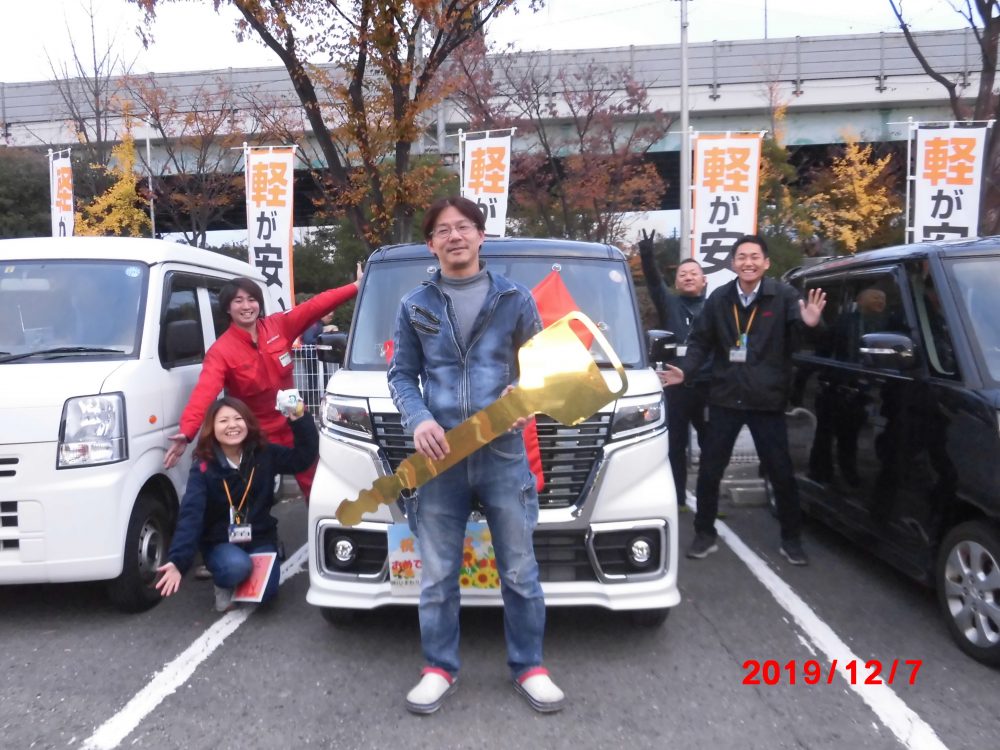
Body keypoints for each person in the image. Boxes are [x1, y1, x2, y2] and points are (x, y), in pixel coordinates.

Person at [387, 195, 564, 714]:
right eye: (443, 230)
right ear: (431, 244)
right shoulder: (415, 304)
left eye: (463, 227)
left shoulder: (514, 298)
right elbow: (401, 375)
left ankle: (529, 666)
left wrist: (525, 394)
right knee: (438, 574)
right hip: (440, 456)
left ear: (481, 236)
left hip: (503, 452)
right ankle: (438, 667)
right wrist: (419, 419)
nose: (455, 236)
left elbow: (542, 368)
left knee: (519, 570)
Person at [660, 235, 826, 566]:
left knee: (781, 472)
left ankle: (791, 539)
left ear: (766, 263)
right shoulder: (720, 298)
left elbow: (807, 338)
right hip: (725, 398)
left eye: (754, 256)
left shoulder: (783, 296)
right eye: (741, 257)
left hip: (767, 401)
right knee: (710, 471)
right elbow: (701, 342)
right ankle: (704, 533)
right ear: (733, 263)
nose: (748, 262)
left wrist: (812, 325)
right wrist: (686, 371)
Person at [163, 268, 359, 499]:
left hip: (296, 423)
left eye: (252, 299)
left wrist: (356, 286)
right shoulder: (221, 351)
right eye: (238, 301)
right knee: (257, 496)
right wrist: (186, 432)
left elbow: (316, 305)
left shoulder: (279, 325)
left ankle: (323, 522)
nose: (247, 306)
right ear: (227, 308)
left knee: (318, 489)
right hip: (258, 434)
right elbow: (204, 394)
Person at [155, 396, 318, 611]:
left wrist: (300, 419)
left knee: (265, 595)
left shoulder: (265, 453)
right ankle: (222, 583)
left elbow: (303, 458)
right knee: (236, 566)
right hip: (221, 541)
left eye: (238, 419)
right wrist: (178, 560)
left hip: (259, 537)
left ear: (248, 423)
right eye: (223, 421)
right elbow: (191, 516)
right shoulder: (203, 467)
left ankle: (265, 557)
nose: (232, 425)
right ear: (212, 428)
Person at [637, 229, 709, 508]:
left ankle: (708, 501)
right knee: (675, 446)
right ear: (677, 282)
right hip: (675, 387)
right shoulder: (671, 304)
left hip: (707, 387)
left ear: (704, 280)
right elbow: (655, 284)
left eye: (693, 273)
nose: (688, 277)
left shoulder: (714, 307)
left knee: (712, 446)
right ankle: (678, 500)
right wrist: (646, 255)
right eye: (682, 274)